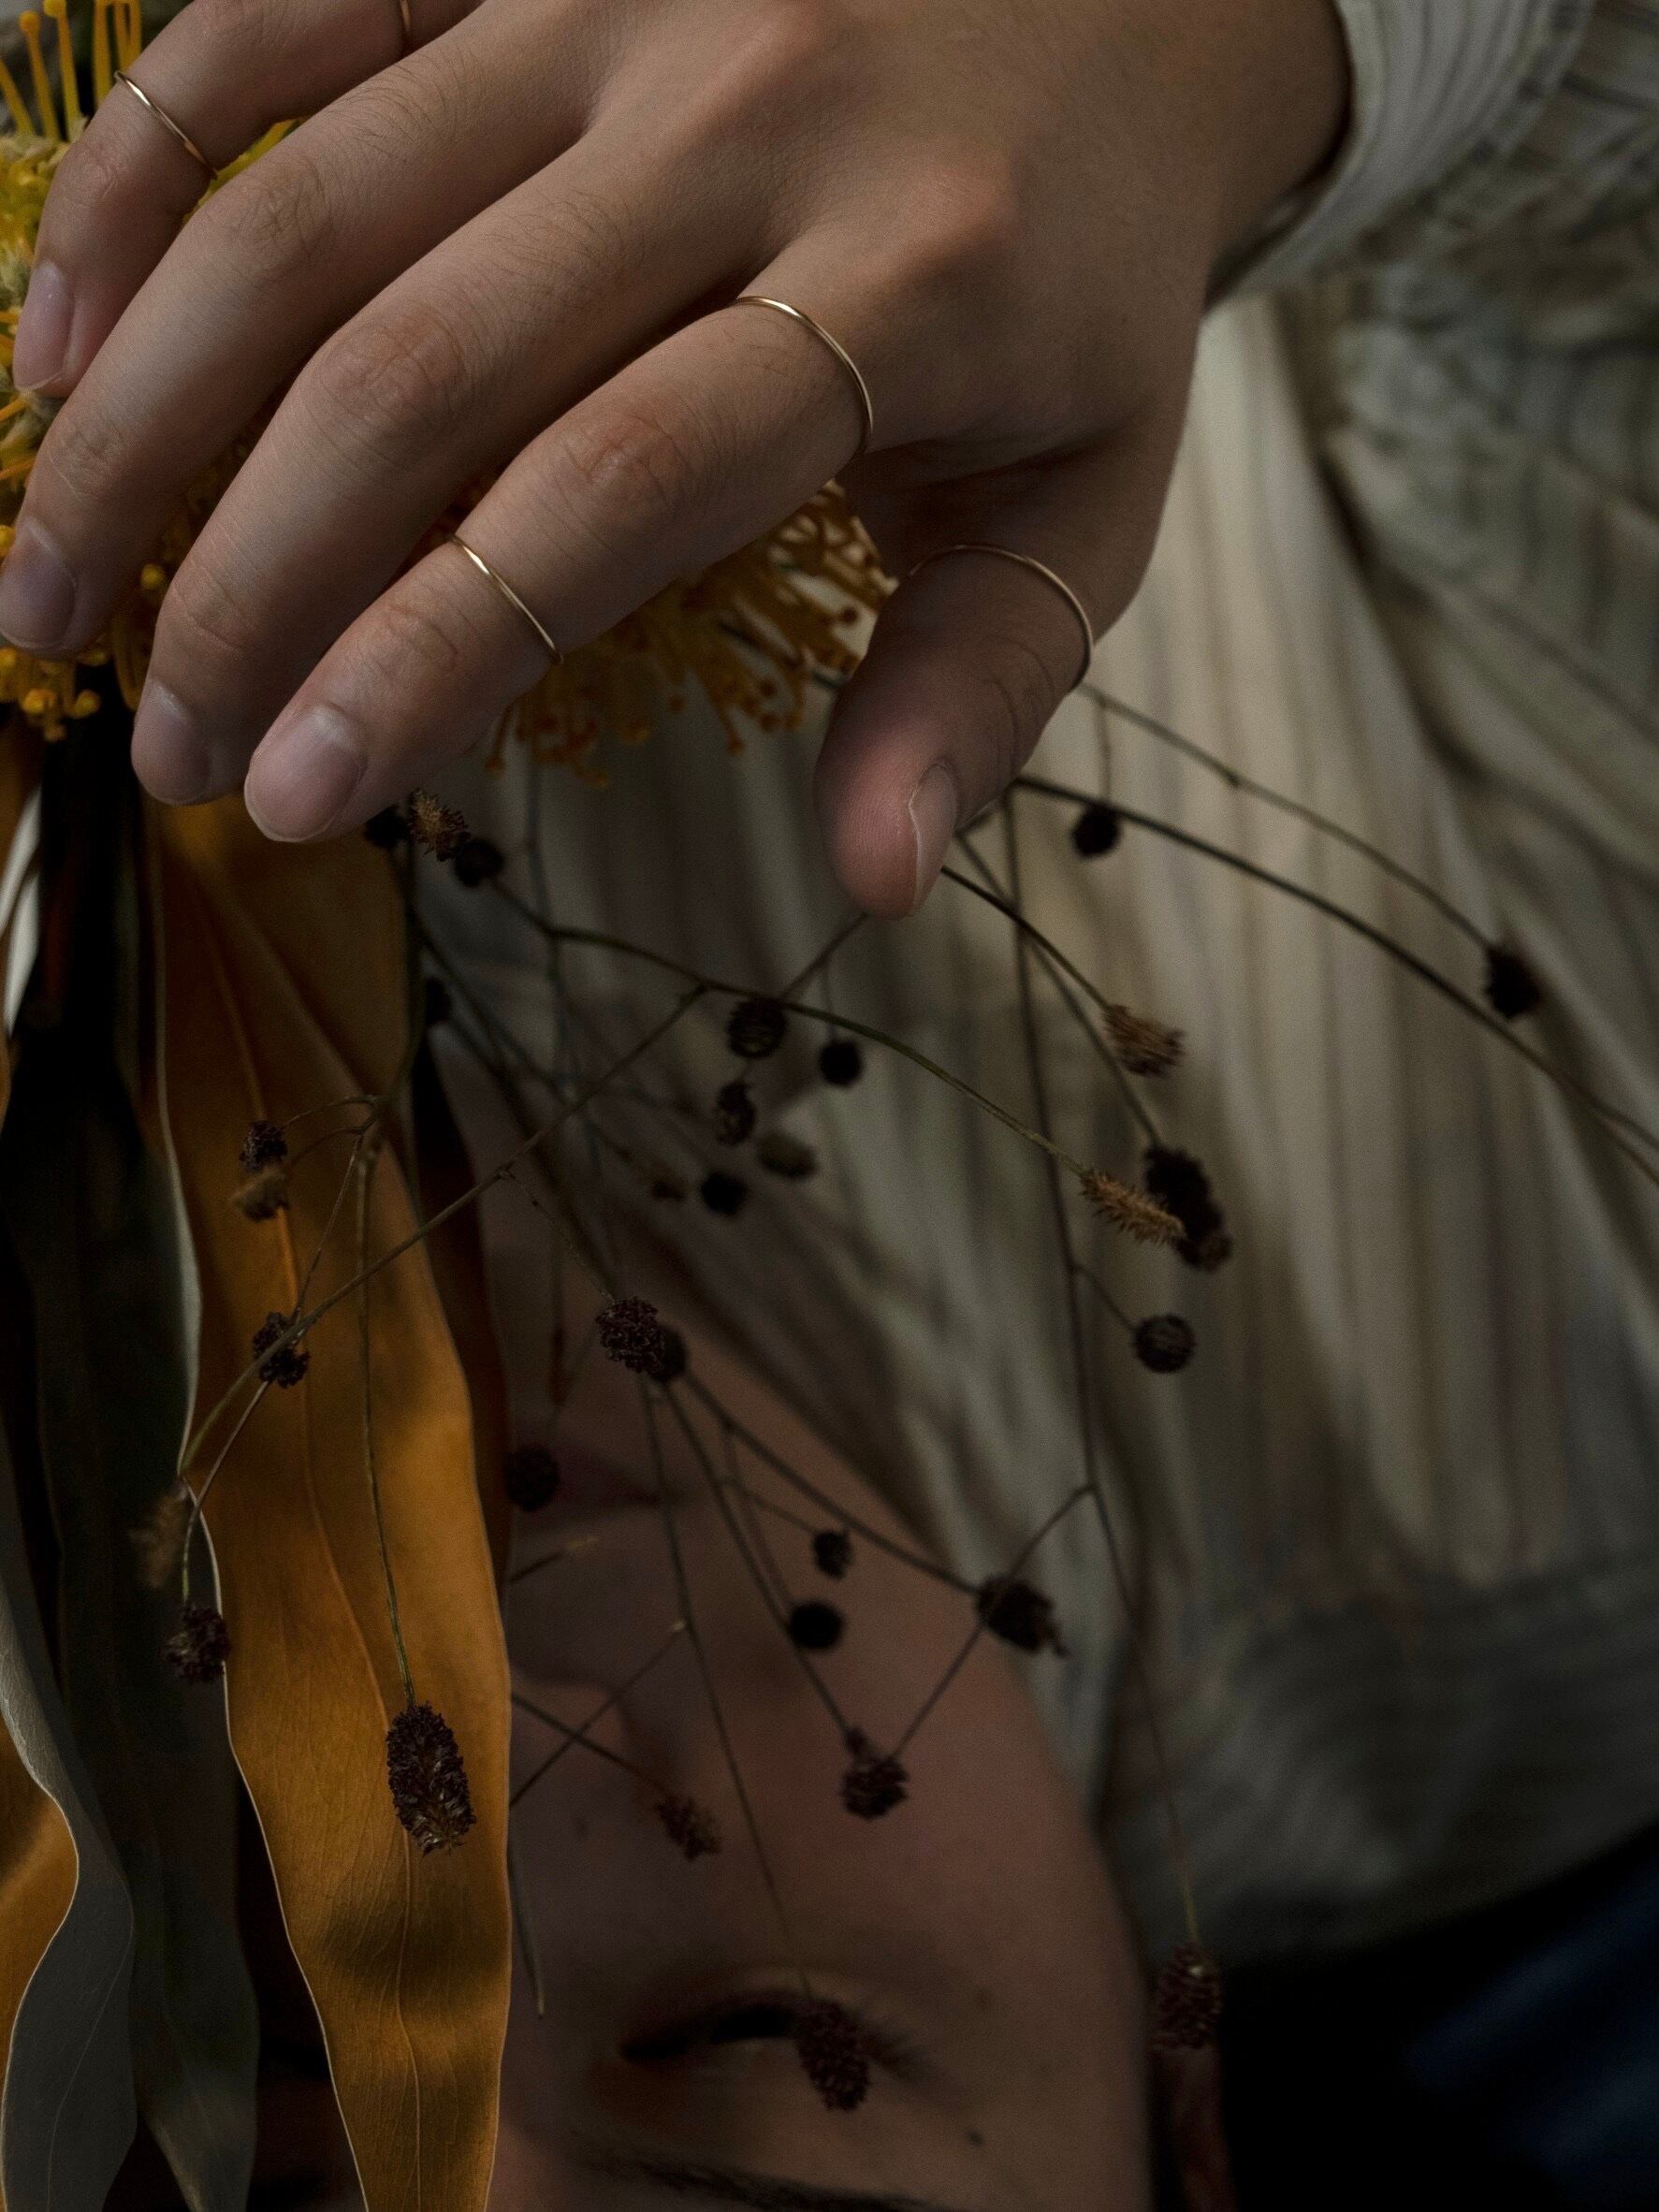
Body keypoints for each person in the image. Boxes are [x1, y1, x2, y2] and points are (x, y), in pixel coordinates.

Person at [5, 0, 1659, 2202]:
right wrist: (1226, 55)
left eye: (285, 2137)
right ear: (1186, 2137)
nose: (501, 1804)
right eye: (750, 2038)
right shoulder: (1548, 1343)